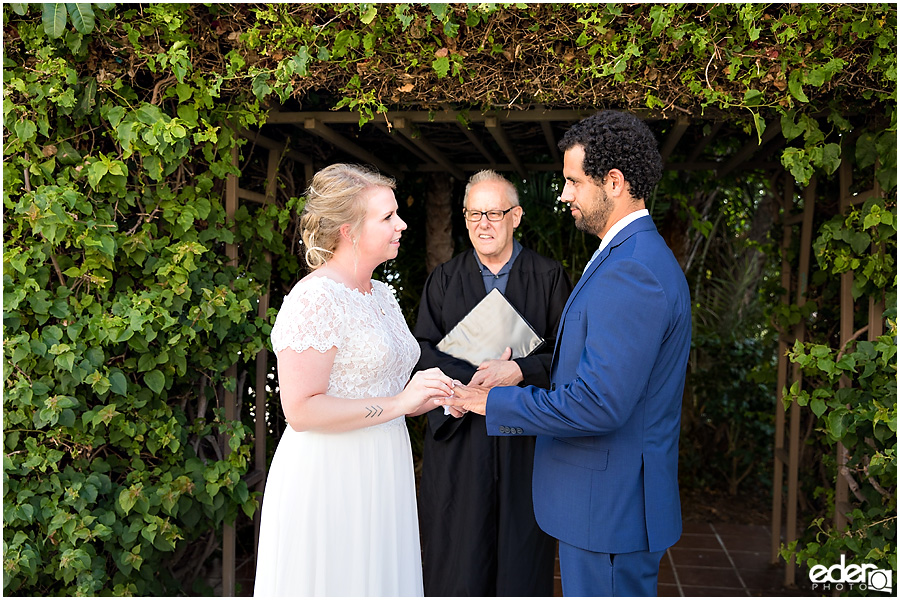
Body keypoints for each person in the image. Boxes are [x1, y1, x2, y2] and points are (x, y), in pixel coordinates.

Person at [437, 111, 692, 597]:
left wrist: (489, 403)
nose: (564, 194)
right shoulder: (626, 255)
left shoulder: (632, 270)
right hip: (605, 508)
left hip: (610, 512)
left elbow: (599, 403)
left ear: (613, 182)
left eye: (574, 181)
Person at [254, 163, 455, 597]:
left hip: (383, 466)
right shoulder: (315, 299)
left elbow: (382, 386)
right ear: (348, 231)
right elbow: (302, 409)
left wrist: (425, 395)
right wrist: (400, 404)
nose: (401, 224)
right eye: (387, 217)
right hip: (331, 477)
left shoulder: (381, 293)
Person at [413, 170, 573, 596]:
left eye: (494, 213)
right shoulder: (445, 279)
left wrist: (520, 370)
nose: (483, 223)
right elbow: (420, 351)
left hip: (526, 441)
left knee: (523, 555)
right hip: (460, 439)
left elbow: (570, 356)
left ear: (516, 216)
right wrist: (472, 385)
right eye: (473, 214)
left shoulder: (549, 277)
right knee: (457, 554)